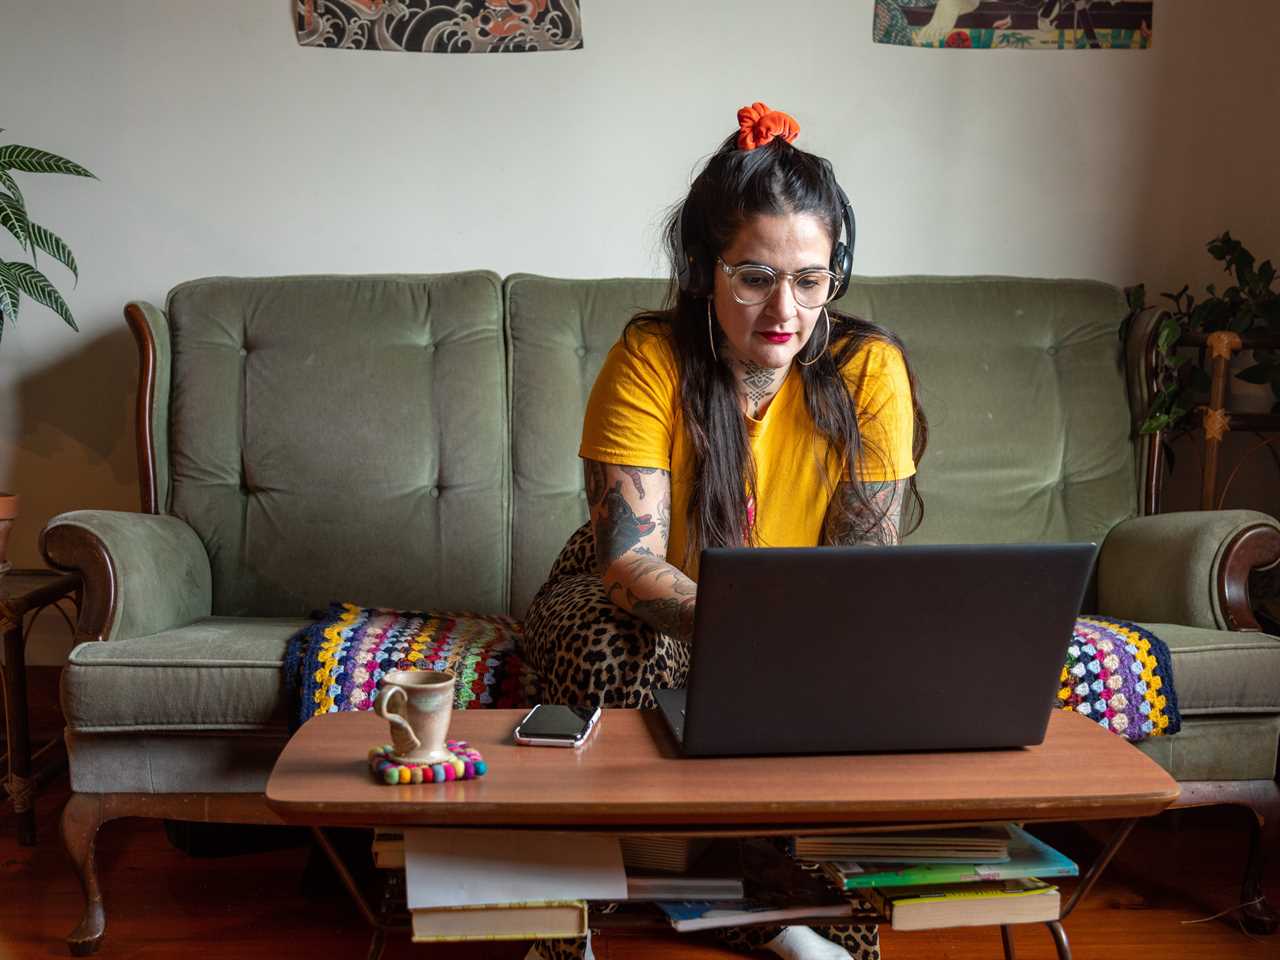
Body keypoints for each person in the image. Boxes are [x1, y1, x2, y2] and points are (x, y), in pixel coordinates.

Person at [521, 103, 927, 960]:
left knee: (859, 675)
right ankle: (575, 918)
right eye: (754, 277)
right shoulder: (649, 358)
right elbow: (627, 559)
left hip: (794, 611)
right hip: (640, 595)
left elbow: (862, 564)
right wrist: (745, 636)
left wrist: (794, 642)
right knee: (613, 650)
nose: (785, 309)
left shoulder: (869, 371)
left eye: (811, 280)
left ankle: (777, 909)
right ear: (706, 269)